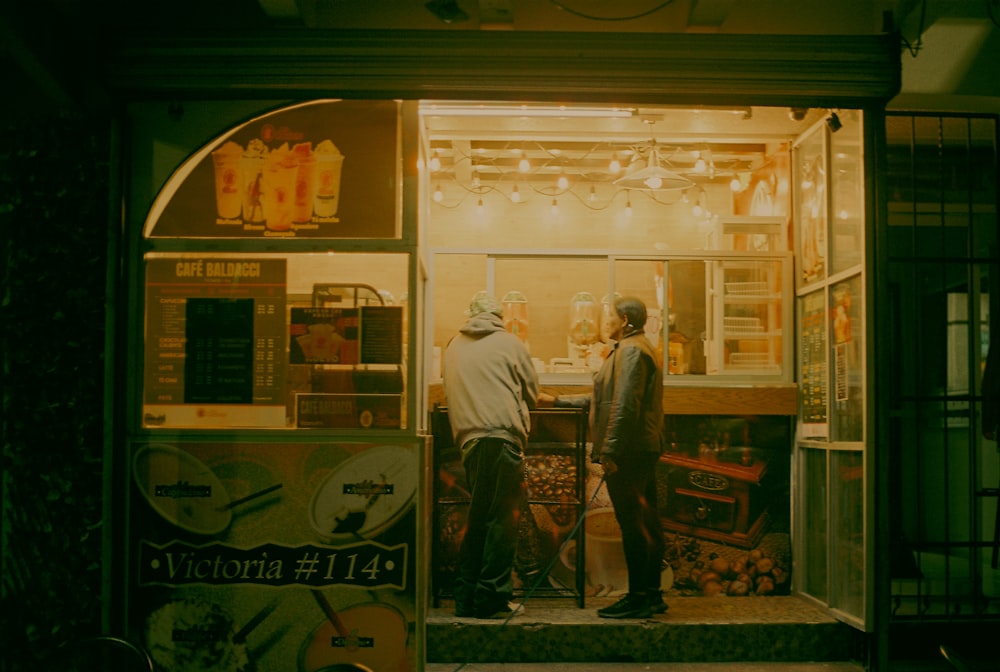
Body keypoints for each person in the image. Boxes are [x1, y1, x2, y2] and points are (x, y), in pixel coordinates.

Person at [551, 296, 668, 618]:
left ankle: (639, 597)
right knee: (645, 523)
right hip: (639, 448)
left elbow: (625, 405)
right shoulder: (631, 348)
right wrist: (559, 401)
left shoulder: (631, 351)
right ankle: (651, 594)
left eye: (610, 316)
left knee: (633, 526)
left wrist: (611, 452)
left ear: (626, 321)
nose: (605, 321)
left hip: (630, 451)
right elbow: (604, 399)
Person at [444, 292, 540, 619]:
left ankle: (466, 597)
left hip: (469, 442)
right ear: (500, 317)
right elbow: (532, 393)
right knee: (503, 520)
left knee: (479, 519)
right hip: (501, 438)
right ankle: (492, 599)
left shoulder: (453, 345)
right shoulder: (511, 343)